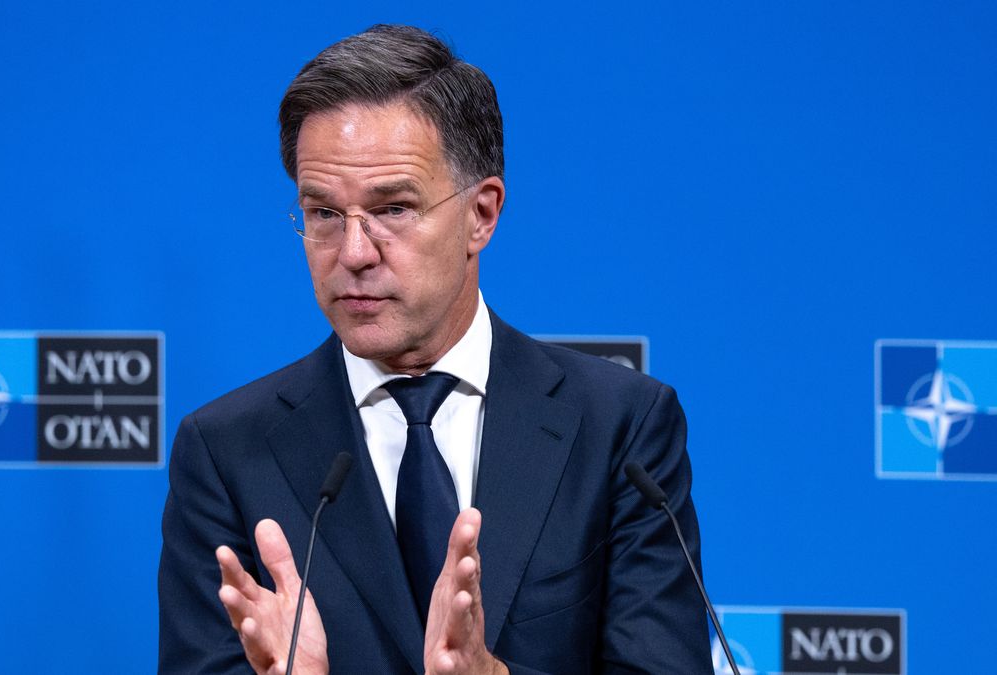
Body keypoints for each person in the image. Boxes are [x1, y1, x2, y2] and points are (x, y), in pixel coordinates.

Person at [159, 24, 712, 674]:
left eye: (392, 208)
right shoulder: (227, 451)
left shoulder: (620, 428)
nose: (354, 253)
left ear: (481, 214)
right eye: (323, 214)